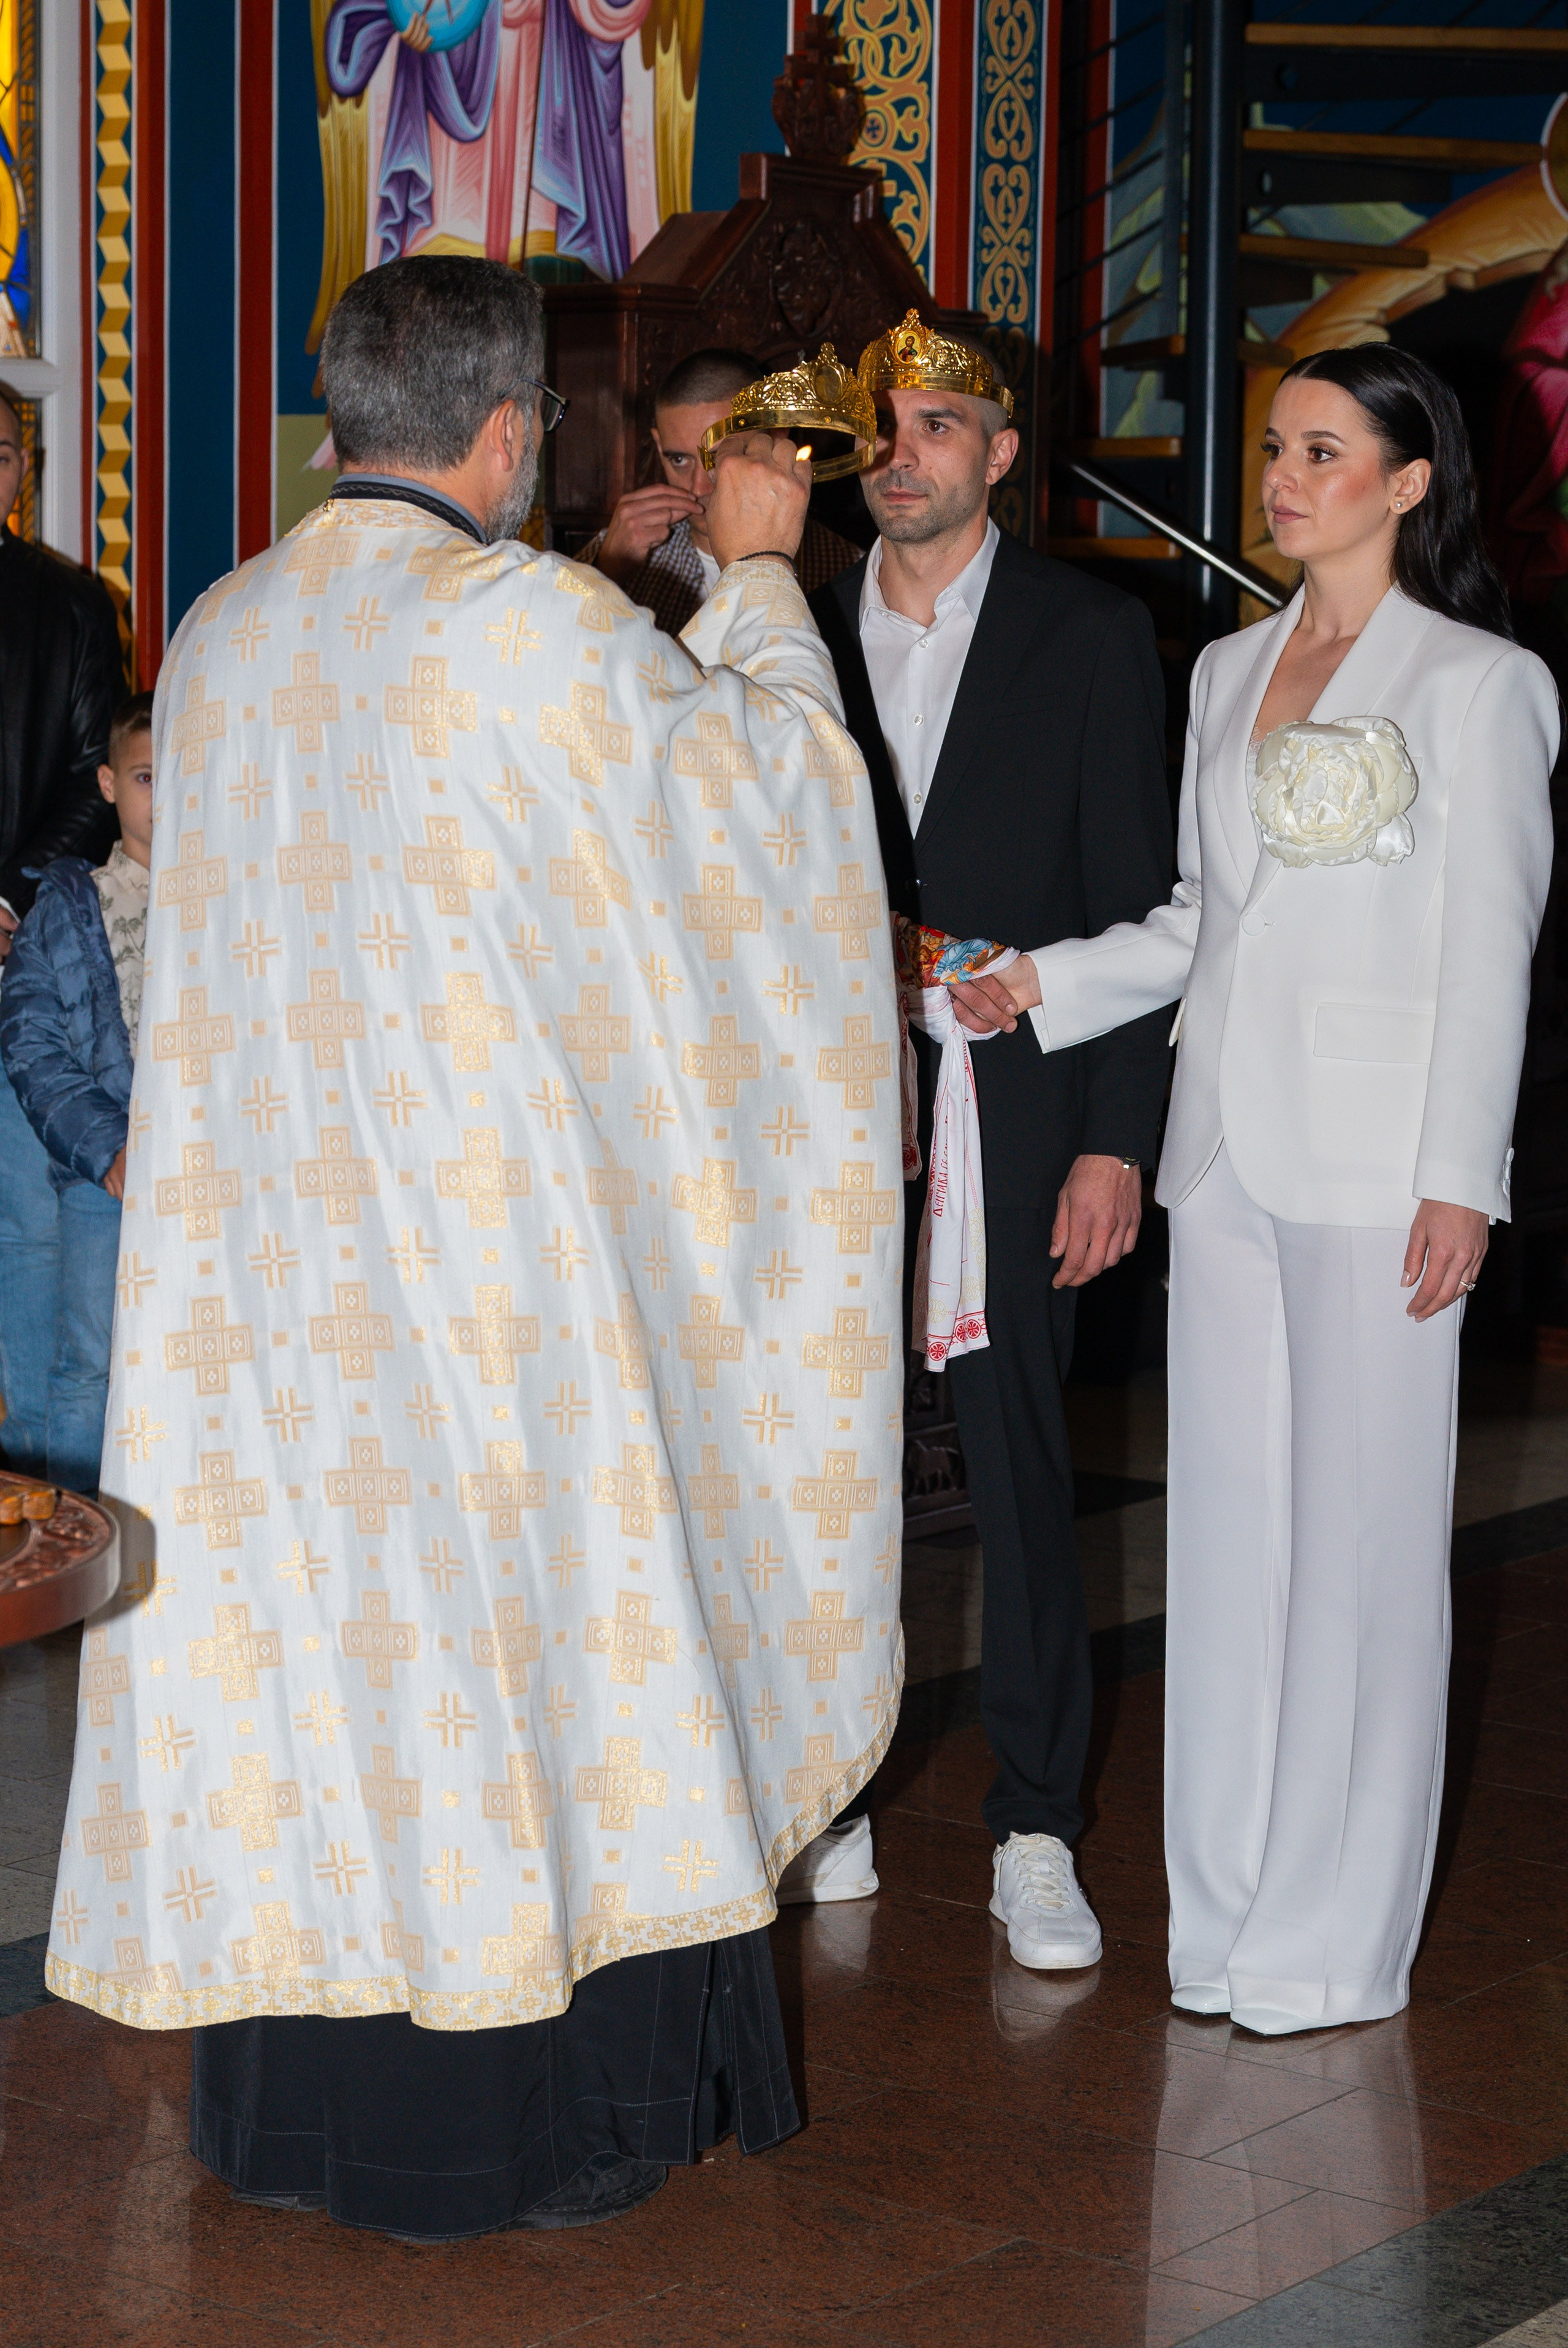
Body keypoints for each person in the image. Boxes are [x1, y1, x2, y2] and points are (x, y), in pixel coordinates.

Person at [45, 254, 903, 2238]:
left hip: (270, 1308)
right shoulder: (531, 628)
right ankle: (533, 2124)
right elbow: (778, 828)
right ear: (514, 429)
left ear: (339, 418)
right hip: (487, 1298)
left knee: (329, 1682)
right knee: (516, 1679)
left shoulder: (231, 630)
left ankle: (300, 2122)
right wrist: (763, 572)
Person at [971, 345, 1555, 2033]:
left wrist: (1463, 1176)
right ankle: (1220, 1917)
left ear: (1409, 478)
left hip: (1384, 1168)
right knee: (1225, 1544)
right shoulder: (1225, 671)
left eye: (1322, 451)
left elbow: (1490, 954)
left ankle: (1331, 1940)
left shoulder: (1481, 685)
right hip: (1217, 1154)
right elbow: (1195, 922)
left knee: (1365, 1551)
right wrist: (1046, 987)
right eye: (1275, 450)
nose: (1284, 478)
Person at [796, 314, 1175, 1963]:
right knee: (818, 1471)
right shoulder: (787, 631)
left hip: (1019, 1128)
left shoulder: (1094, 638)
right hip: (819, 1118)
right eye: (883, 427)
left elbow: (1139, 906)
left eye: (940, 425)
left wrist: (1116, 1145)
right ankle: (827, 1795)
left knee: (1016, 1475)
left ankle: (1035, 1825)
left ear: (1002, 456)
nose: (903, 452)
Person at [0, 381, 126, 1476]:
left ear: (22, 468)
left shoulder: (74, 605)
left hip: (21, 955)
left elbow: (99, 781)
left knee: (28, 1238)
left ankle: (41, 1500)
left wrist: (9, 900)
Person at [0, 692, 153, 1493]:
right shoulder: (71, 903)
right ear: (106, 785)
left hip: (198, 1175)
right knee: (87, 1362)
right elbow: (33, 1042)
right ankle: (70, 1548)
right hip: (106, 1175)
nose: (165, 801)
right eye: (146, 778)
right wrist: (106, 1149)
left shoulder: (229, 904)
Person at [585, 348, 861, 634]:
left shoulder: (846, 567)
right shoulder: (615, 551)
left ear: (777, 437)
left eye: (720, 458)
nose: (699, 487)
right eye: (679, 460)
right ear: (658, 446)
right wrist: (606, 573)